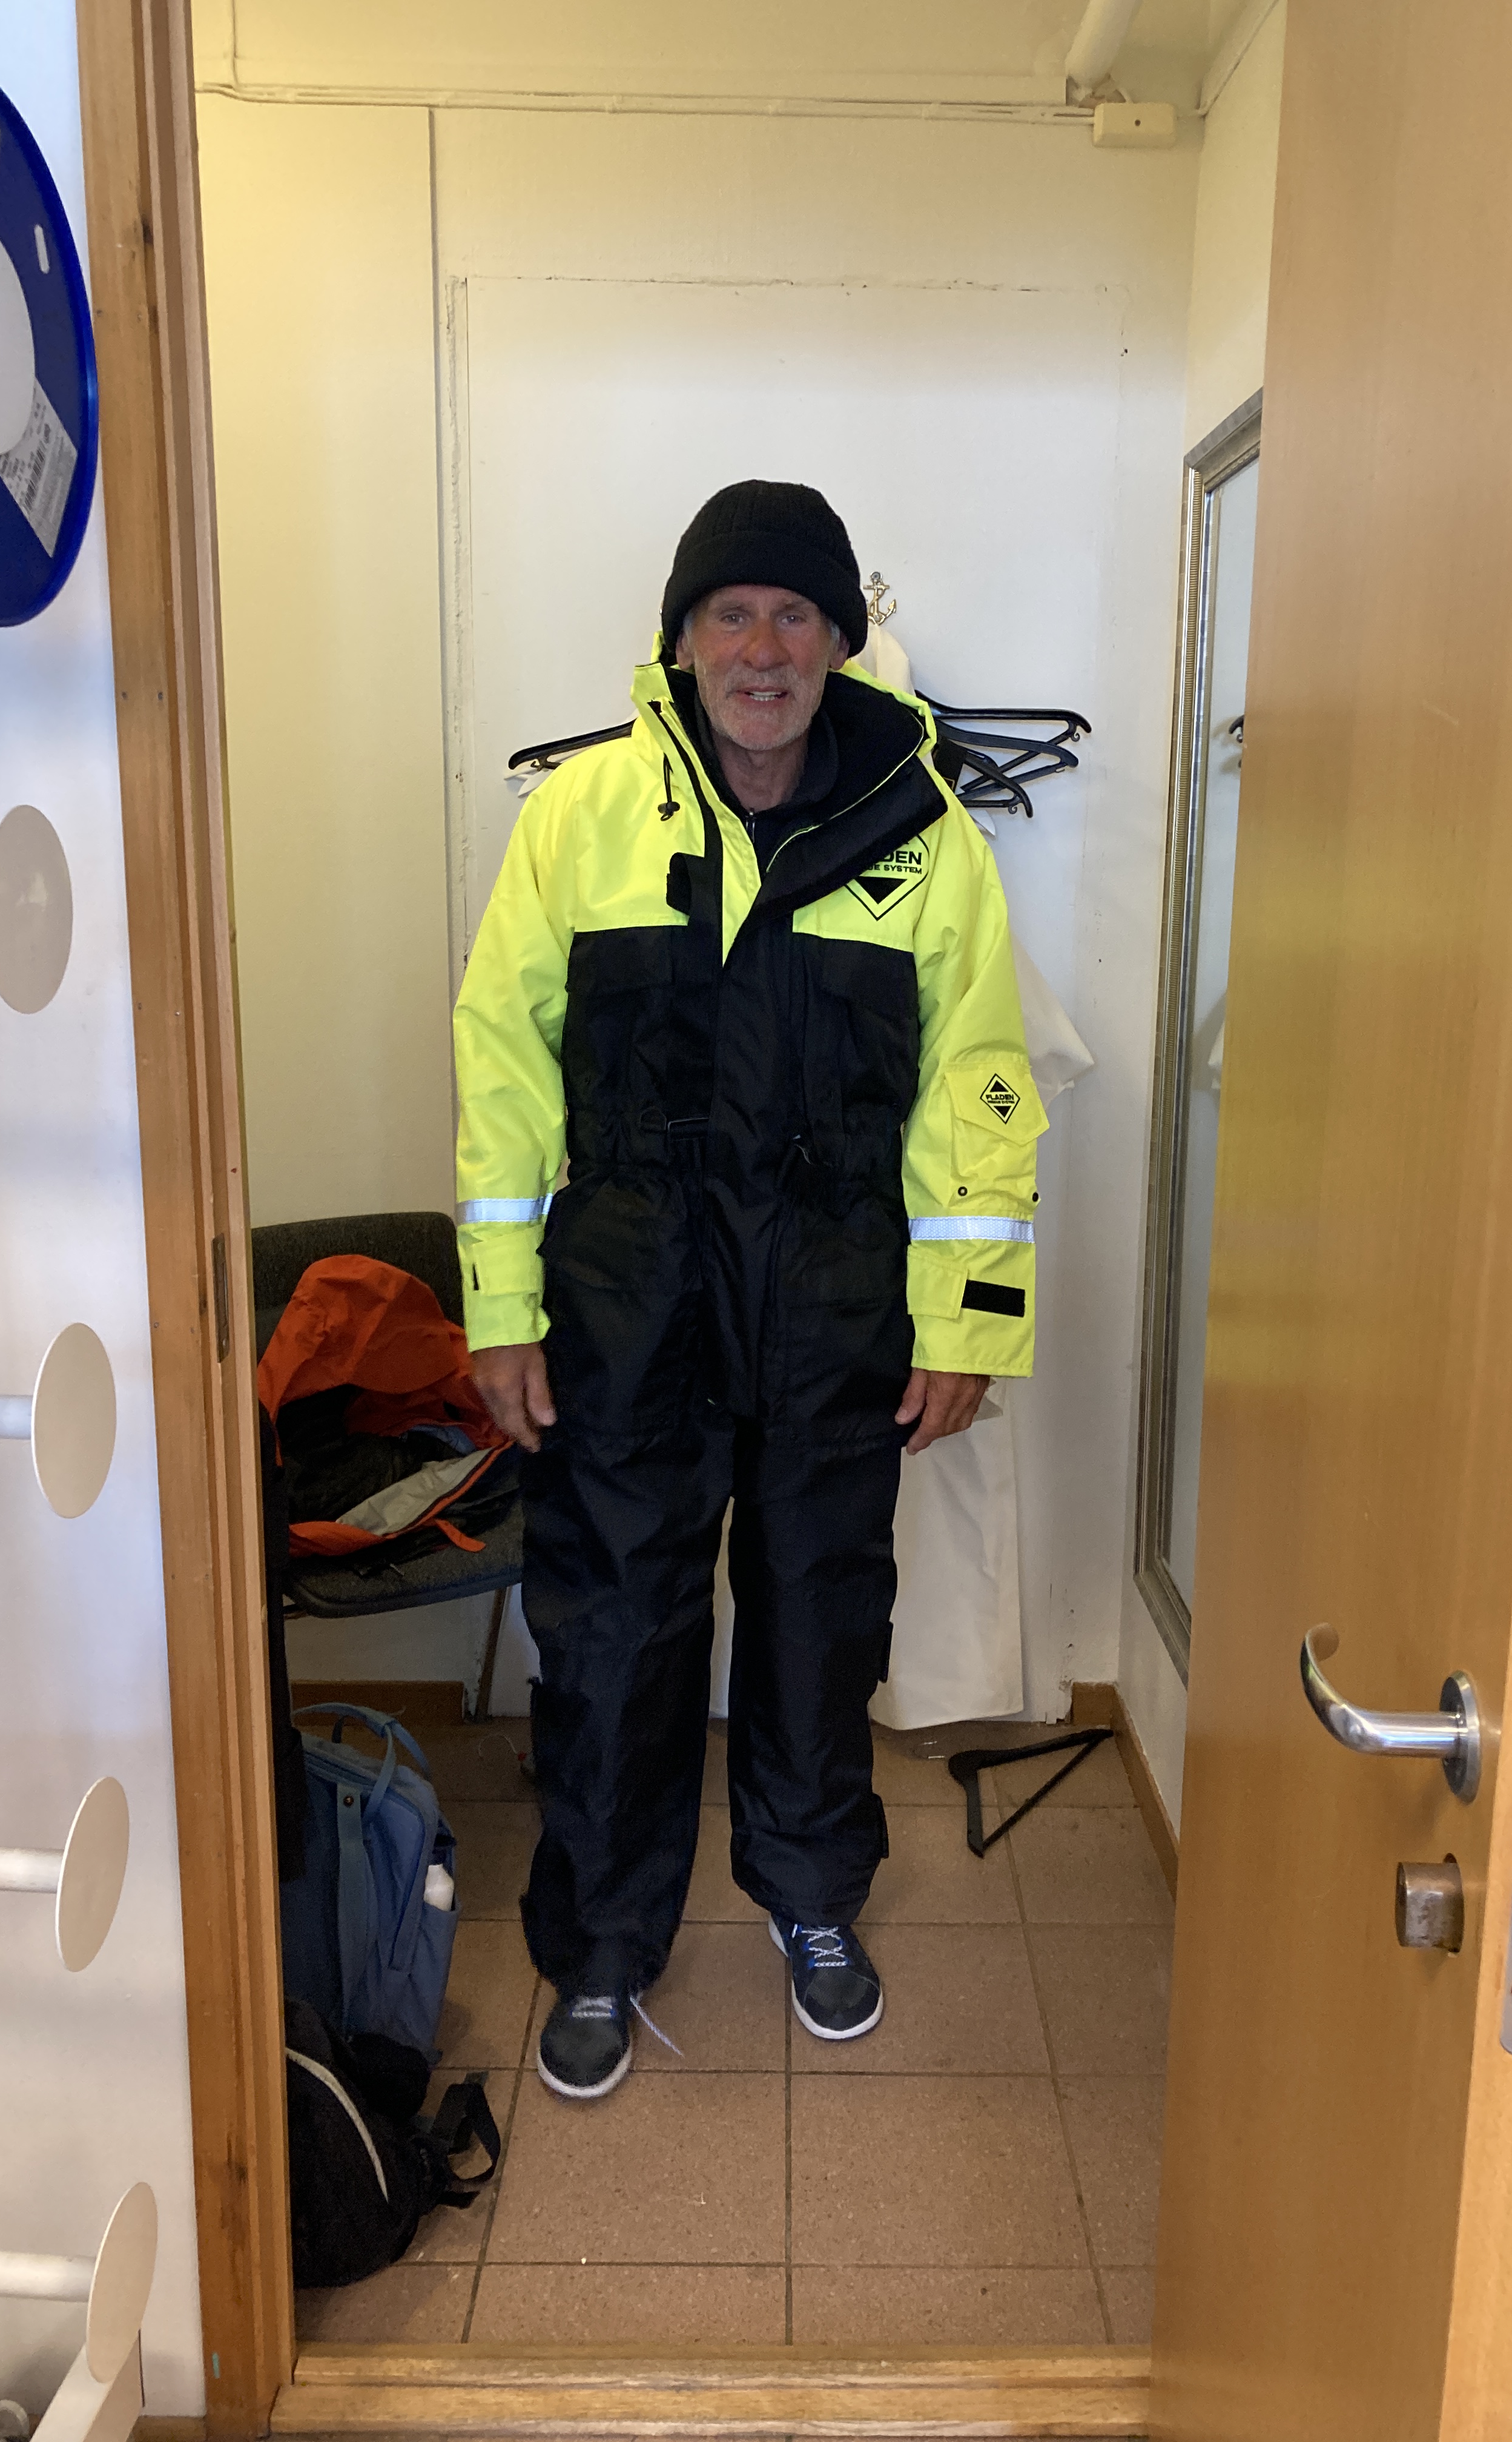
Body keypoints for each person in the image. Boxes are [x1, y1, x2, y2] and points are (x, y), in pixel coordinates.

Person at [454, 480, 1043, 2100]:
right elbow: (502, 1066)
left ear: (841, 642)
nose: (764, 647)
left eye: (796, 614)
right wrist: (500, 1305)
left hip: (832, 1307)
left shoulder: (927, 837)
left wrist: (970, 1324)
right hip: (624, 1306)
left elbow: (978, 1093)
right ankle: (601, 1945)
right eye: (733, 613)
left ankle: (812, 1898)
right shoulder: (579, 819)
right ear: (683, 641)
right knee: (616, 1633)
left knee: (817, 1622)